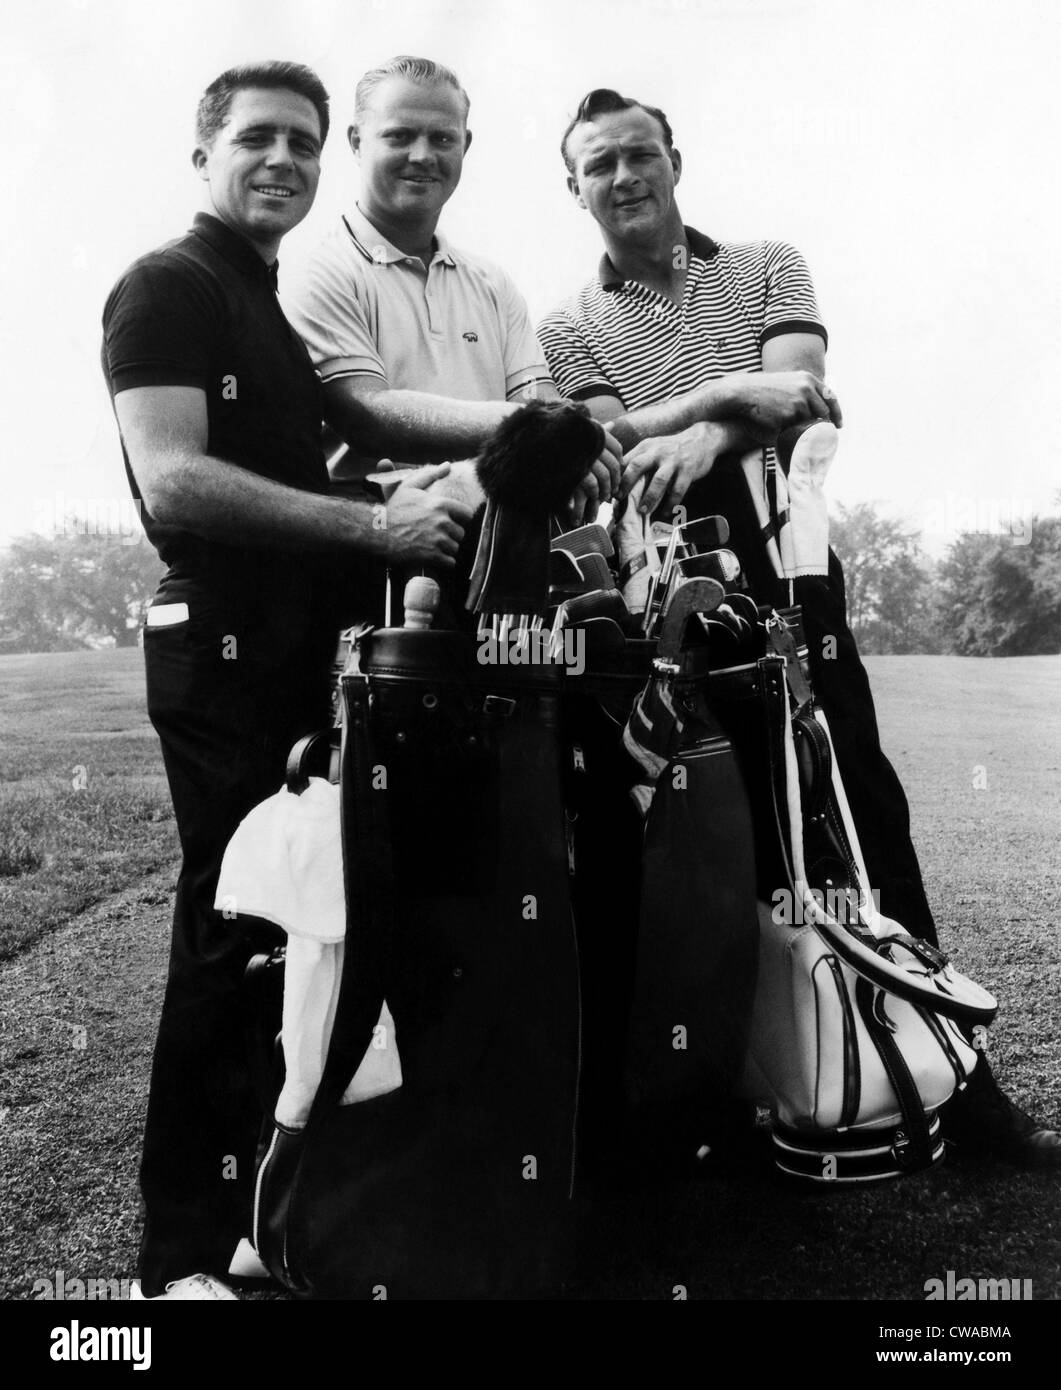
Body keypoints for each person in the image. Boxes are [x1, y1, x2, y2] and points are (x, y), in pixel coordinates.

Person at [537, 87, 1060, 1169]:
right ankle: (733, 1099)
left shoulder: (768, 260)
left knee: (858, 814)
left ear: (674, 158)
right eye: (600, 165)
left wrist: (712, 420)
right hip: (659, 602)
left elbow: (804, 395)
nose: (624, 176)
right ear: (574, 186)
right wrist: (729, 402)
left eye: (640, 154)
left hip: (791, 573)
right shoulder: (563, 324)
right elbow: (612, 450)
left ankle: (953, 1084)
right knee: (699, 844)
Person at [100, 62, 475, 1300]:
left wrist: (534, 430)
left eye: (305, 145)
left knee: (289, 932)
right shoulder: (167, 285)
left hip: (285, 653)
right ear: (202, 149)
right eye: (257, 138)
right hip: (215, 648)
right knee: (226, 933)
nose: (284, 161)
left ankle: (268, 1216)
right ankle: (178, 1263)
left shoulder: (256, 295)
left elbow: (367, 429)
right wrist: (375, 532)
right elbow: (175, 481)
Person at [283, 54, 620, 554]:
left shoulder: (492, 282)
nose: (422, 155)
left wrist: (568, 441)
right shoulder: (321, 271)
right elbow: (370, 415)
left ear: (465, 144)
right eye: (399, 136)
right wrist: (544, 434)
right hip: (377, 563)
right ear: (356, 142)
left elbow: (543, 406)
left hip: (499, 562)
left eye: (442, 137)